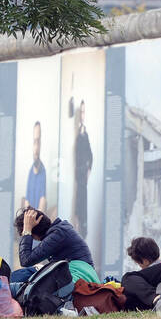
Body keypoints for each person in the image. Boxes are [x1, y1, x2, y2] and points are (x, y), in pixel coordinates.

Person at [13, 207, 97, 285]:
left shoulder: (58, 234)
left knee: (22, 275)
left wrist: (27, 231)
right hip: (80, 275)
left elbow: (25, 260)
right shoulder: (59, 231)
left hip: (79, 277)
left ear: (33, 233)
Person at [73, 102, 93, 240]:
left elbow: (90, 154)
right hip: (78, 173)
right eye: (81, 112)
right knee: (78, 200)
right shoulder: (78, 132)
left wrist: (88, 169)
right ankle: (80, 227)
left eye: (84, 112)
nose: (82, 115)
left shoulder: (84, 133)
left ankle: (83, 229)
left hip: (82, 174)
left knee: (82, 200)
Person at [24, 122, 47, 213]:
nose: (36, 148)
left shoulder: (43, 171)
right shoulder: (30, 172)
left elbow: (42, 200)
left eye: (38, 142)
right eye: (34, 142)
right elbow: (27, 200)